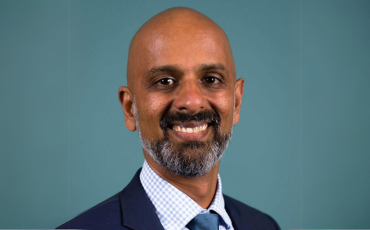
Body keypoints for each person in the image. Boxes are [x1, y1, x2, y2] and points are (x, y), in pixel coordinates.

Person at [57, 7, 280, 230]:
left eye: (211, 79)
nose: (192, 102)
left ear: (236, 102)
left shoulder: (264, 225)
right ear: (129, 109)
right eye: (165, 81)